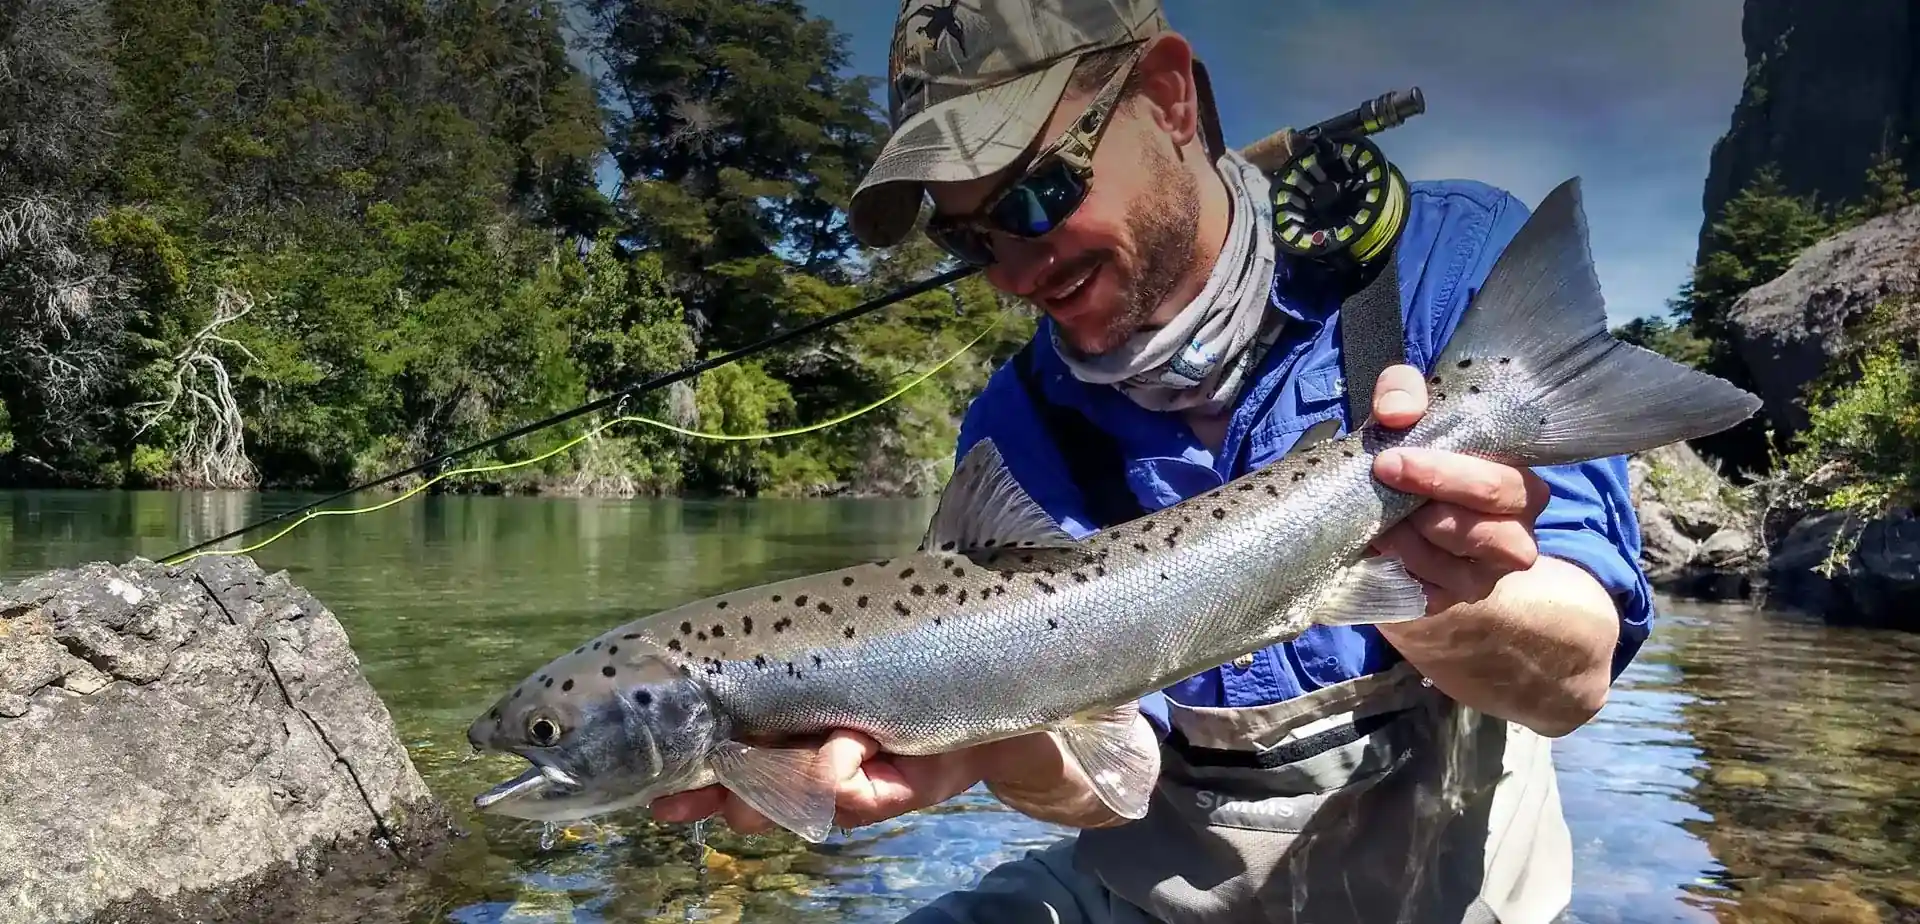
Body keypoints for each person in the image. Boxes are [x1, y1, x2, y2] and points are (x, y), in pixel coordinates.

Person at [653, 1, 1653, 921]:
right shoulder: (1019, 423)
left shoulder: (1441, 269)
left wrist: (1447, 583)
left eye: (1040, 192)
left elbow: (1574, 678)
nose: (1015, 268)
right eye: (970, 237)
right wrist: (973, 751)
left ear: (1170, 96)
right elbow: (1108, 780)